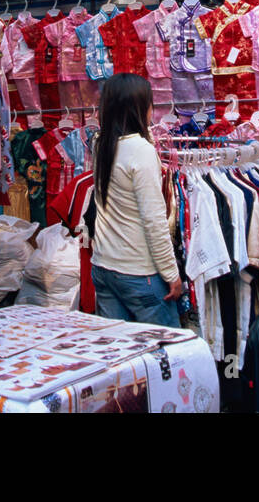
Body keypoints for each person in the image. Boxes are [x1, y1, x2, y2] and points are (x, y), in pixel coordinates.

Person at [89, 73, 183, 327]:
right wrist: (172, 274)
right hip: (138, 272)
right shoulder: (140, 151)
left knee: (120, 354)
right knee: (167, 351)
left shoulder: (100, 144)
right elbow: (154, 222)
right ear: (139, 108)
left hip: (104, 266)